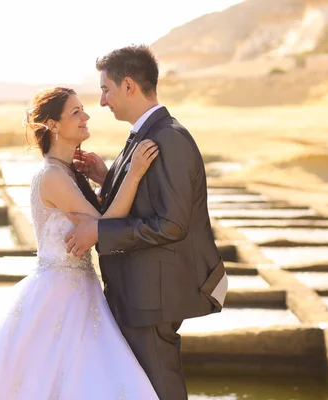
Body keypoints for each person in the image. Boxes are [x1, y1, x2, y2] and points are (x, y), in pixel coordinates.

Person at [0, 87, 160, 399]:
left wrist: (104, 177)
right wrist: (133, 175)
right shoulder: (53, 177)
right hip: (59, 294)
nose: (86, 116)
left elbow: (100, 218)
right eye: (76, 112)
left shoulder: (67, 172)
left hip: (79, 290)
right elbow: (107, 224)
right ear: (54, 125)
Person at [65, 45, 228, 400]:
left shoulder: (169, 138)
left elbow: (171, 224)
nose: (103, 101)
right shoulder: (144, 132)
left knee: (160, 388)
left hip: (153, 294)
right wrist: (106, 176)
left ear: (128, 86)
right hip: (139, 290)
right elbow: (146, 199)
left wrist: (99, 231)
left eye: (106, 89)